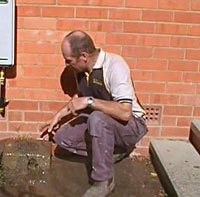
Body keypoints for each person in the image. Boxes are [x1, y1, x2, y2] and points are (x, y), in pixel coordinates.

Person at [41, 30, 148, 197]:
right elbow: (79, 98)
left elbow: (125, 112)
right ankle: (110, 153)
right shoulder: (82, 72)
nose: (66, 64)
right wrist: (58, 117)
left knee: (97, 118)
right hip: (103, 123)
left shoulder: (114, 65)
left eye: (68, 61)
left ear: (83, 56)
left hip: (132, 125)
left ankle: (103, 182)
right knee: (63, 137)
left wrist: (89, 102)